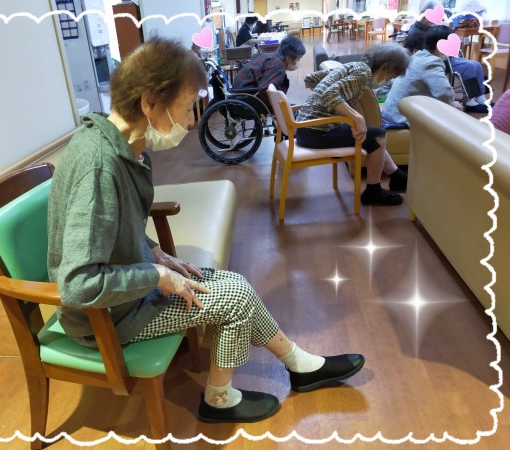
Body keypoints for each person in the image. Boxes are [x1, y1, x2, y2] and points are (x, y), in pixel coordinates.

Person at [47, 37, 364, 424]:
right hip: (106, 319)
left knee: (236, 284)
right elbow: (77, 285)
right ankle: (218, 399)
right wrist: (157, 276)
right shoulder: (99, 166)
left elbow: (113, 227)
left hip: (127, 293)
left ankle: (300, 365)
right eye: (185, 109)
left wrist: (156, 252)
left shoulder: (118, 146)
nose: (190, 122)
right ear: (149, 102)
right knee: (234, 299)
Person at [298, 43, 411, 203]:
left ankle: (396, 175)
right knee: (379, 134)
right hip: (317, 132)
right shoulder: (363, 73)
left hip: (306, 129)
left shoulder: (354, 66)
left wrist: (324, 108)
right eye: (391, 76)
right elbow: (329, 94)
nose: (388, 80)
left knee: (372, 138)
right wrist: (358, 118)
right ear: (385, 68)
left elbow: (311, 78)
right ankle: (373, 191)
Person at [407, 2, 489, 113]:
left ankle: (480, 97)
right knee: (470, 66)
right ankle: (470, 101)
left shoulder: (429, 27)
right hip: (437, 58)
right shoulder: (415, 33)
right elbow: (426, 51)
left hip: (443, 55)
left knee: (477, 64)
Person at [382, 26, 463, 128]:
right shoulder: (431, 62)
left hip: (390, 114)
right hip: (400, 120)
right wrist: (451, 106)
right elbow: (444, 92)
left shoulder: (417, 57)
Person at [232, 35, 306, 110]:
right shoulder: (278, 65)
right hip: (245, 100)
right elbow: (266, 90)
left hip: (238, 95)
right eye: (298, 59)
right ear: (288, 58)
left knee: (289, 106)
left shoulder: (269, 55)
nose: (298, 62)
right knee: (293, 110)